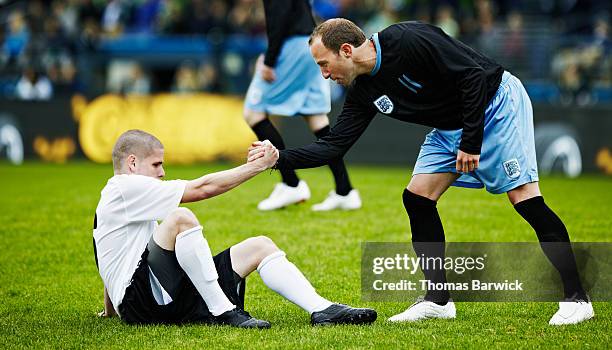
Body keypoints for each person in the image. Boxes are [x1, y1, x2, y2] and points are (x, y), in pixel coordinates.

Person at [250, 19, 594, 325]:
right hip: (450, 127)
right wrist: (277, 158)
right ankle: (438, 300)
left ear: (346, 50)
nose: (324, 74)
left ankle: (577, 298)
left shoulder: (407, 39)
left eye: (324, 64)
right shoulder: (363, 91)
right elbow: (333, 146)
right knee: (416, 198)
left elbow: (473, 76)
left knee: (525, 200)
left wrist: (471, 142)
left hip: (496, 104)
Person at [94, 129, 377, 328]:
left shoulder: (123, 198)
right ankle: (224, 311)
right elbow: (203, 188)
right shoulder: (122, 187)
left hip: (158, 298)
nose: (162, 172)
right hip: (142, 305)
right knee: (180, 218)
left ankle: (321, 309)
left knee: (260, 246)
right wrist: (257, 166)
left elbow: (108, 255)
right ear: (132, 163)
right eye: (157, 164)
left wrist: (110, 310)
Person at [243, 0, 361, 211]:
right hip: (307, 45)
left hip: (290, 47)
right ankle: (345, 190)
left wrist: (269, 60)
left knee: (253, 113)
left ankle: (291, 183)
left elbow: (280, 17)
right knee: (316, 118)